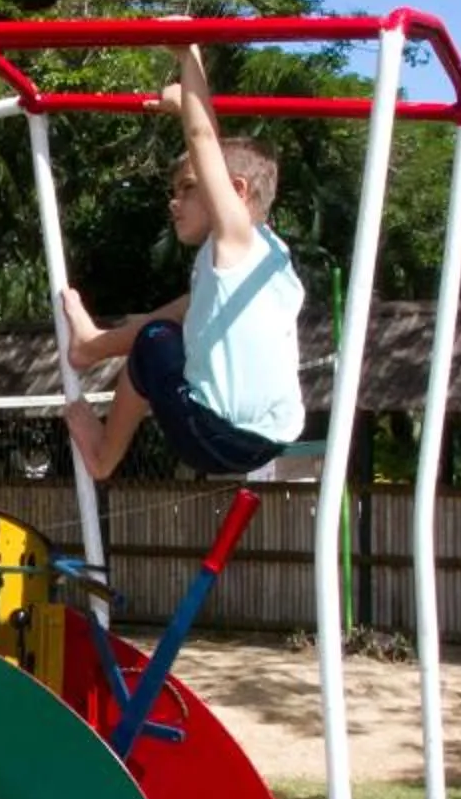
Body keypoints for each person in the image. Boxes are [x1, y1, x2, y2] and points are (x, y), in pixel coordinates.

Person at [60, 43, 306, 481]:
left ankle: (103, 456)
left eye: (190, 188)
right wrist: (184, 107)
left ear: (235, 191)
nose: (174, 203)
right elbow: (216, 152)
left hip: (215, 435)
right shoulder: (269, 259)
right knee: (181, 313)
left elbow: (204, 140)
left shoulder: (236, 240)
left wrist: (188, 57)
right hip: (268, 439)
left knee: (154, 340)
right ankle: (91, 346)